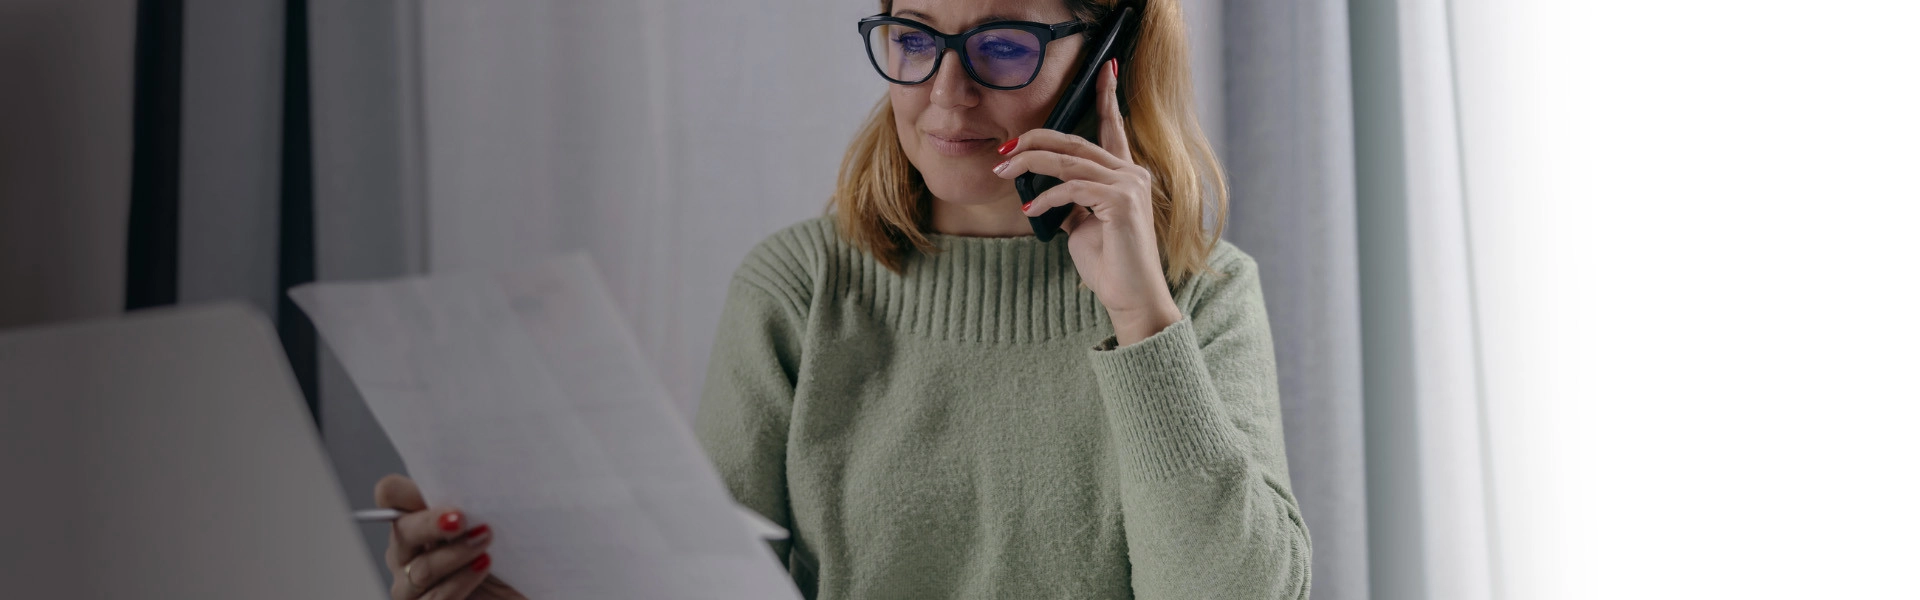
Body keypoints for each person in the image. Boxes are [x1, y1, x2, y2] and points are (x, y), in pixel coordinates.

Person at [372, 0, 1311, 598]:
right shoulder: (796, 292)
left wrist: (1140, 319)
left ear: (1109, 56)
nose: (946, 95)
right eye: (914, 37)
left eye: (1003, 44)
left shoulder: (1203, 297)